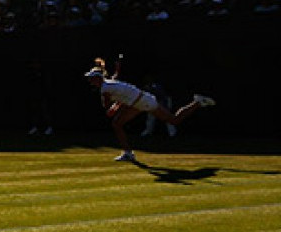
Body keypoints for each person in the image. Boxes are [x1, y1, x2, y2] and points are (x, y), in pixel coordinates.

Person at [84, 57, 215, 163]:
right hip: (141, 101)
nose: (90, 81)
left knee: (173, 120)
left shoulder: (105, 89)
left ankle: (197, 102)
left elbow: (107, 107)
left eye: (91, 78)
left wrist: (113, 108)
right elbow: (119, 89)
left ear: (98, 78)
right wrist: (116, 106)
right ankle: (197, 102)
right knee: (118, 124)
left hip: (141, 102)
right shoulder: (109, 83)